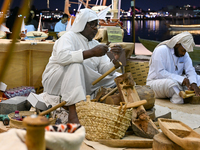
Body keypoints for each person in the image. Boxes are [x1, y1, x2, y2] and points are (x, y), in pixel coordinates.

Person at [42, 8, 123, 123]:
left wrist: (115, 60)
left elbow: (104, 69)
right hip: (56, 81)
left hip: (84, 82)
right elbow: (62, 58)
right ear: (82, 24)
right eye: (92, 25)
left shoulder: (95, 44)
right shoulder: (68, 37)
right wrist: (92, 53)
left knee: (118, 78)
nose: (96, 28)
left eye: (97, 25)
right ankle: (73, 112)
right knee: (75, 64)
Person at [146, 31, 200, 104]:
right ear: (177, 44)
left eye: (185, 51)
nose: (184, 53)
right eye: (183, 50)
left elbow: (190, 70)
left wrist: (194, 83)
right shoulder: (161, 50)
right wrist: (182, 79)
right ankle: (178, 98)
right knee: (171, 84)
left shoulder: (185, 55)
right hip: (156, 84)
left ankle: (182, 94)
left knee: (198, 78)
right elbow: (160, 73)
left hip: (177, 82)